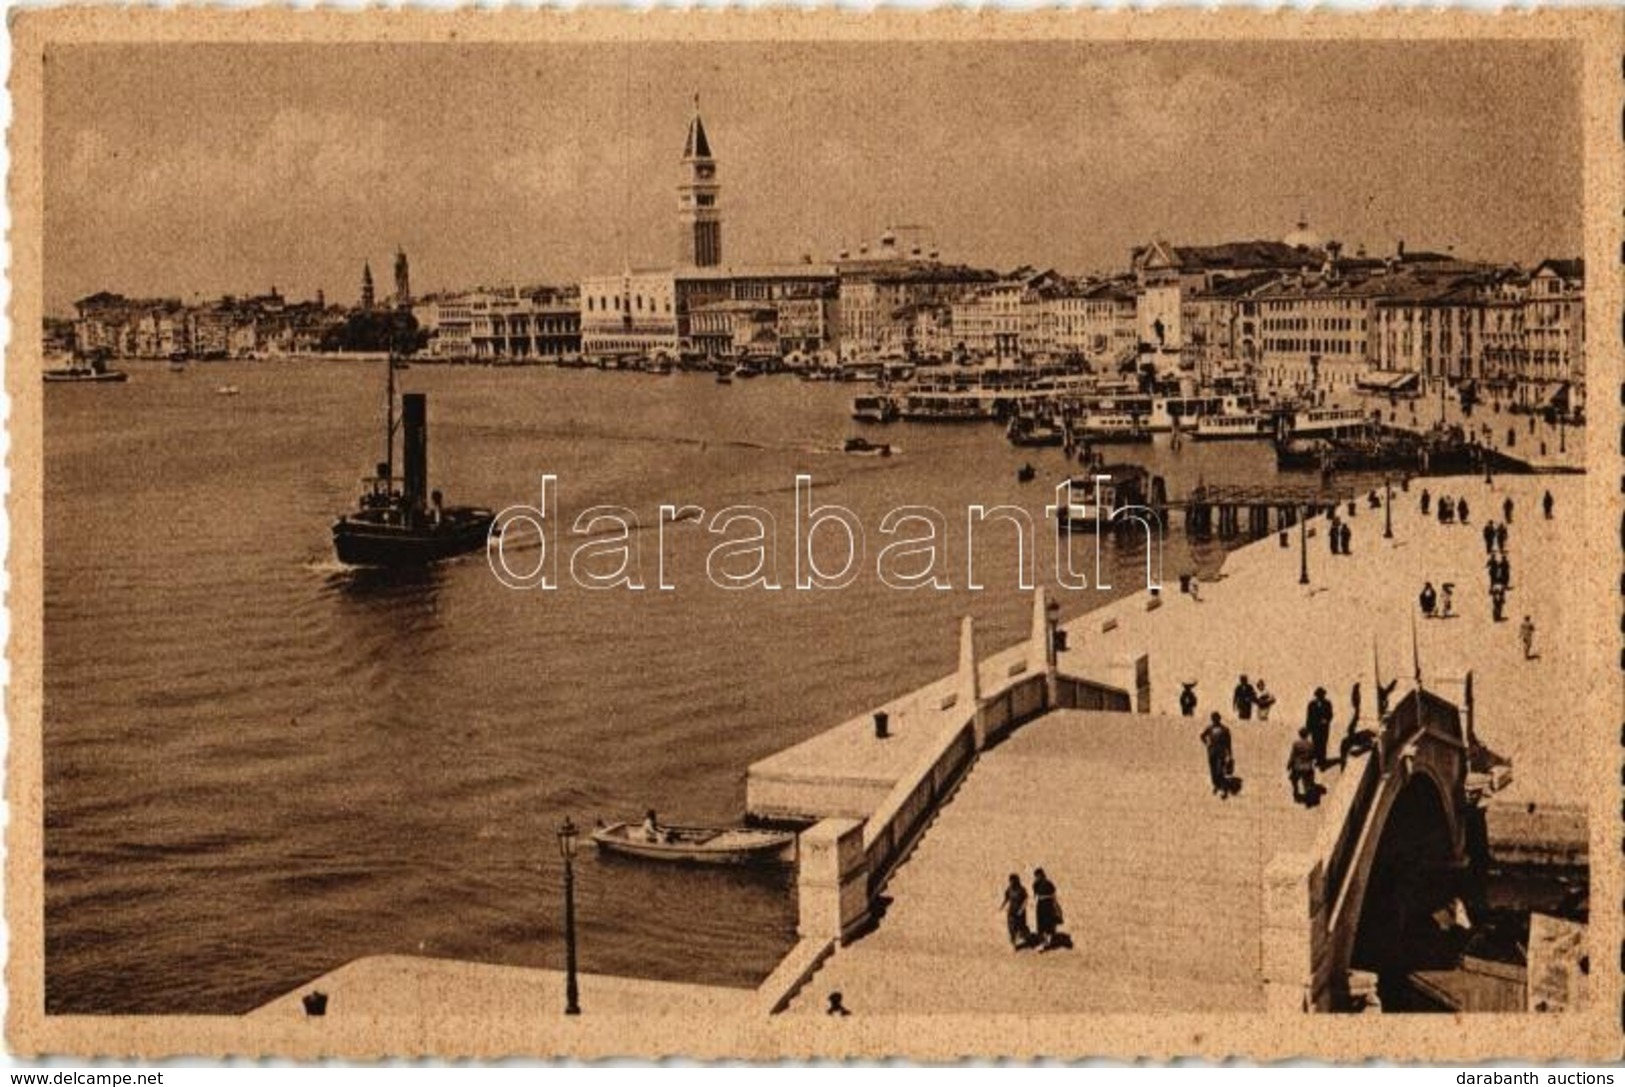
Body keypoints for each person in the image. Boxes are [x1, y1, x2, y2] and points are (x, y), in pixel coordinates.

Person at [1200, 712, 1236, 799]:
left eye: (1216, 718)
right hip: (1212, 752)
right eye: (1213, 718)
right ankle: (1216, 785)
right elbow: (1202, 736)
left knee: (1220, 771)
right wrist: (1207, 743)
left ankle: (1224, 789)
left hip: (1221, 753)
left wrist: (1230, 754)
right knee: (1213, 771)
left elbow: (1228, 743)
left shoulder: (1224, 729)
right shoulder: (1210, 728)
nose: (1215, 720)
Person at [1032, 868, 1063, 950]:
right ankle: (1044, 942)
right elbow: (1035, 896)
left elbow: (1053, 896)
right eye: (1036, 876)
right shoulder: (1035, 884)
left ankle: (1048, 942)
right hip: (1040, 905)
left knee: (1048, 923)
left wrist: (1056, 905)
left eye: (1038, 876)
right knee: (1041, 924)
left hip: (1048, 904)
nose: (1037, 877)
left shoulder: (1049, 883)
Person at [999, 874, 1032, 950]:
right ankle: (1014, 944)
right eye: (1010, 881)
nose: (1011, 882)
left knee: (1021, 926)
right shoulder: (1009, 889)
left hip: (1020, 913)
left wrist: (1021, 909)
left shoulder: (1022, 889)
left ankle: (1027, 935)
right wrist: (1002, 906)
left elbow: (1026, 899)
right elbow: (1006, 898)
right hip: (1011, 911)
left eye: (1012, 881)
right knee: (1011, 927)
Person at [1288, 727, 1318, 804]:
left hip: (1298, 766)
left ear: (1300, 735)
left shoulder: (1296, 744)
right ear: (1307, 735)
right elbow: (1314, 756)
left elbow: (1293, 756)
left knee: (1293, 779)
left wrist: (1289, 765)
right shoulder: (1311, 744)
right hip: (1307, 766)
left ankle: (1296, 791)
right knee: (1308, 781)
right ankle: (1308, 795)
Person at [1306, 687, 1334, 768]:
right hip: (1315, 728)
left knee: (1323, 743)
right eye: (1319, 695)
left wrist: (1326, 720)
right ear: (1316, 696)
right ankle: (1318, 760)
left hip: (1324, 728)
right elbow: (1309, 717)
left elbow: (1330, 714)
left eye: (1321, 695)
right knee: (1316, 743)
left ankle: (1323, 760)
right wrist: (1308, 728)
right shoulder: (1311, 704)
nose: (1320, 697)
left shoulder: (1327, 703)